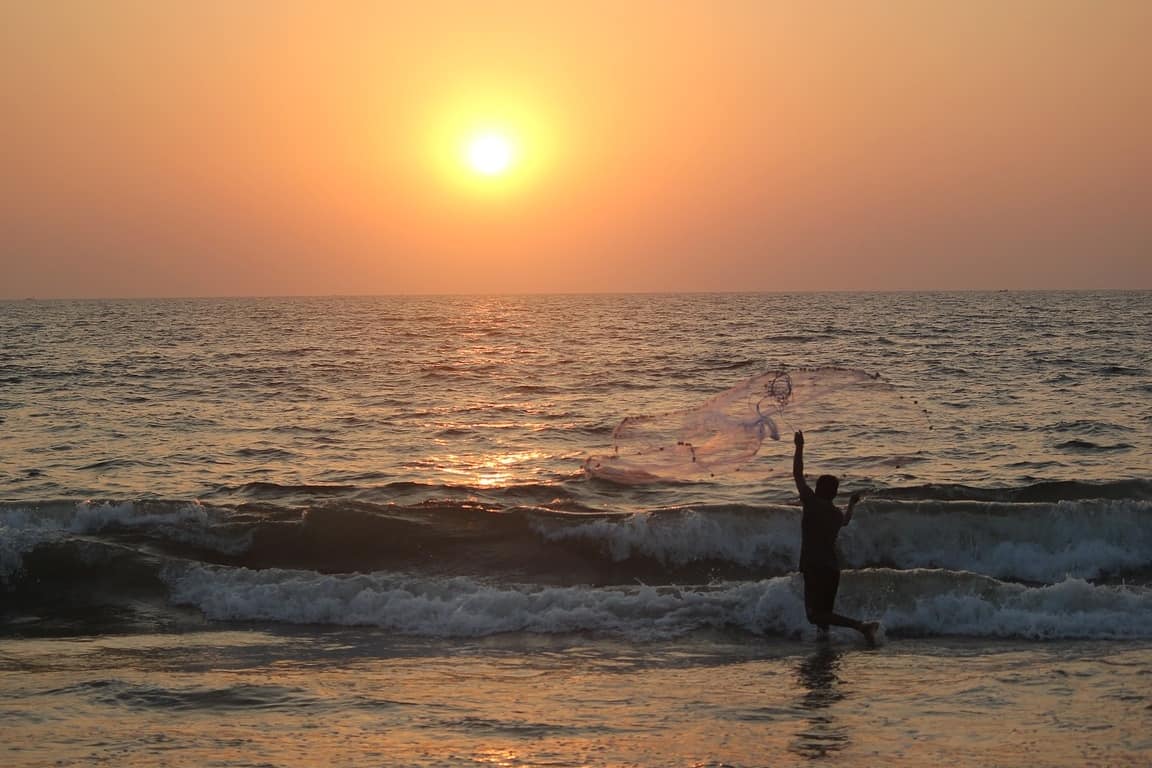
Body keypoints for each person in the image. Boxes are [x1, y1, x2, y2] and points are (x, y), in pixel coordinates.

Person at [793, 430, 879, 645]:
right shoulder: (835, 513)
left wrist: (799, 446)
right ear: (834, 493)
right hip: (832, 569)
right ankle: (824, 649)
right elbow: (847, 521)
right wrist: (851, 503)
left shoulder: (812, 504)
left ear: (818, 490)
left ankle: (861, 626)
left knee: (814, 615)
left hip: (815, 567)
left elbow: (797, 474)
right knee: (824, 618)